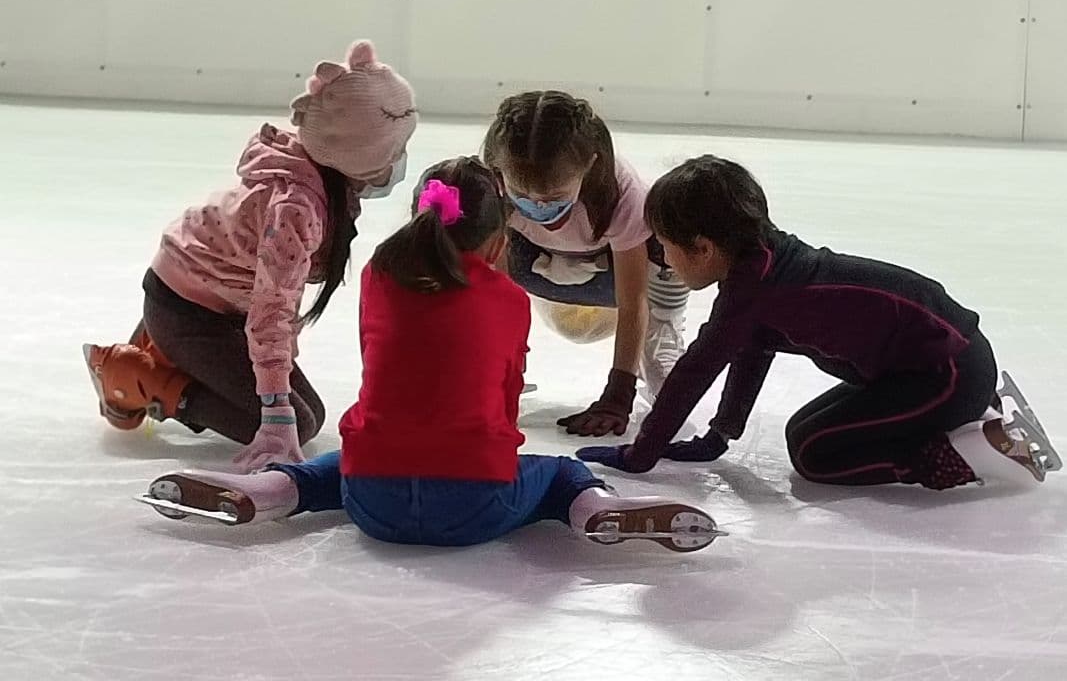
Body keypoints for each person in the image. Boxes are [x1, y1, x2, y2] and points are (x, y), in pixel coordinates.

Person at [136, 157, 723, 552]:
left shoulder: (379, 275)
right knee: (561, 474)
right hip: (474, 506)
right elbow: (504, 405)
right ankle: (592, 509)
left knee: (332, 467)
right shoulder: (508, 298)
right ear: (498, 240)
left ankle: (272, 492)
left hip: (372, 500)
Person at [577, 155, 1061, 490]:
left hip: (949, 375)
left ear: (703, 248)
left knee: (816, 454)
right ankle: (978, 422)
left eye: (665, 246)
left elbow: (695, 370)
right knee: (804, 432)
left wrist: (640, 455)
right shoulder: (761, 263)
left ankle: (974, 453)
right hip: (935, 365)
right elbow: (753, 346)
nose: (663, 259)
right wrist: (719, 434)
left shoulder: (758, 288)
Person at [84, 40, 416, 471]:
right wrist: (274, 406)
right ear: (356, 155)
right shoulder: (296, 209)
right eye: (393, 152)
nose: (398, 162)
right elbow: (272, 309)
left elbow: (278, 298)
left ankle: (169, 350)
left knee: (309, 414)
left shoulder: (316, 174)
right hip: (187, 309)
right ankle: (145, 378)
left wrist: (274, 376)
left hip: (216, 299)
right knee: (295, 423)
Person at [482, 91, 689, 438]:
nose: (539, 207)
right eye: (524, 196)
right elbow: (497, 295)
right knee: (463, 230)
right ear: (498, 170)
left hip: (611, 280)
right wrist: (501, 372)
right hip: (538, 272)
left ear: (589, 166)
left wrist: (619, 393)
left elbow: (632, 300)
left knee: (676, 217)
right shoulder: (491, 187)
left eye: (554, 198)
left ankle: (661, 328)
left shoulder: (622, 193)